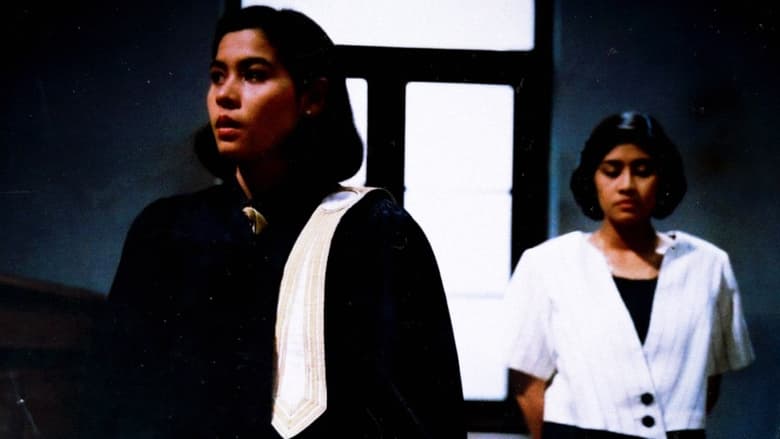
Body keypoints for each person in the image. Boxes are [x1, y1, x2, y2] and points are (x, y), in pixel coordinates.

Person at [81, 6, 464, 438]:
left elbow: (423, 408)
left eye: (254, 75)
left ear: (312, 98)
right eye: (217, 76)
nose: (225, 95)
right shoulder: (166, 230)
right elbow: (112, 396)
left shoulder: (372, 231)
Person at [504, 111, 754, 439]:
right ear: (592, 178)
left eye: (643, 171)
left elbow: (709, 380)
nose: (626, 185)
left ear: (663, 178)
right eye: (611, 171)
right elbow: (527, 383)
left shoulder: (707, 265)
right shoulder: (547, 264)